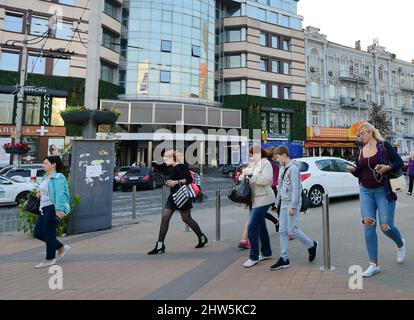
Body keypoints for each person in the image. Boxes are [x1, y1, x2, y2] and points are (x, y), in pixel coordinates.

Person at [347, 122, 406, 277]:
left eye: (362, 134)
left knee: (386, 226)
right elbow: (360, 172)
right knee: (368, 225)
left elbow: (399, 162)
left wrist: (388, 167)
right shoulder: (360, 150)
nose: (361, 137)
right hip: (366, 192)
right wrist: (354, 171)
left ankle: (400, 244)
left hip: (384, 191)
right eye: (359, 135)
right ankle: (374, 264)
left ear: (370, 133)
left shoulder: (383, 146)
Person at [147, 149, 207, 254]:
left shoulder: (181, 165)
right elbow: (162, 170)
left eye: (166, 157)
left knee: (186, 219)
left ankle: (202, 237)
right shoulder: (170, 167)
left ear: (173, 158)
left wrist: (175, 182)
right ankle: (160, 245)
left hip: (182, 195)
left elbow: (189, 180)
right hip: (173, 196)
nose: (164, 159)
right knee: (165, 218)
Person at [270, 146, 317, 270]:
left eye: (278, 157)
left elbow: (296, 189)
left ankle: (311, 245)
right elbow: (279, 188)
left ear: (284, 155)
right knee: (282, 231)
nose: (277, 160)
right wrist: (276, 203)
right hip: (284, 203)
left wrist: (293, 206)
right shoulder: (282, 168)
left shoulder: (294, 169)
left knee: (292, 230)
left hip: (292, 203)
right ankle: (284, 258)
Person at [239, 146, 275, 268]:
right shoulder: (253, 164)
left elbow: (266, 180)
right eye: (250, 155)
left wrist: (250, 176)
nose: (251, 157)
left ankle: (253, 256)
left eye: (252, 154)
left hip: (264, 198)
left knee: (251, 226)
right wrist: (243, 175)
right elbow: (243, 178)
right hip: (253, 199)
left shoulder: (266, 164)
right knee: (260, 227)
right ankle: (266, 252)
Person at [33, 156, 71, 268]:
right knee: (38, 232)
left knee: (48, 232)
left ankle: (50, 258)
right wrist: (40, 194)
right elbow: (48, 190)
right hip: (43, 208)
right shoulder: (46, 177)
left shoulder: (58, 177)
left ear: (53, 164)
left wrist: (59, 210)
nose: (43, 165)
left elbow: (60, 194)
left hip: (52, 207)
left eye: (45, 163)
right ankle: (60, 247)